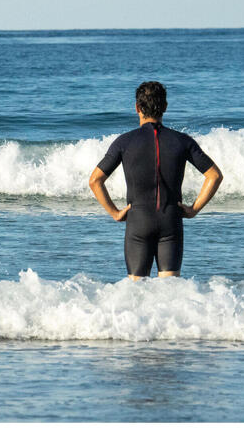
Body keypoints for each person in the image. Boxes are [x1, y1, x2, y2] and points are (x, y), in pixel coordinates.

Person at [88, 81, 223, 280]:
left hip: (138, 222)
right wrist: (194, 209)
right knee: (170, 292)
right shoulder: (183, 141)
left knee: (136, 290)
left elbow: (95, 180)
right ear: (165, 107)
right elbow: (215, 175)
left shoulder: (124, 142)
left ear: (137, 108)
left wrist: (115, 213)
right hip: (171, 221)